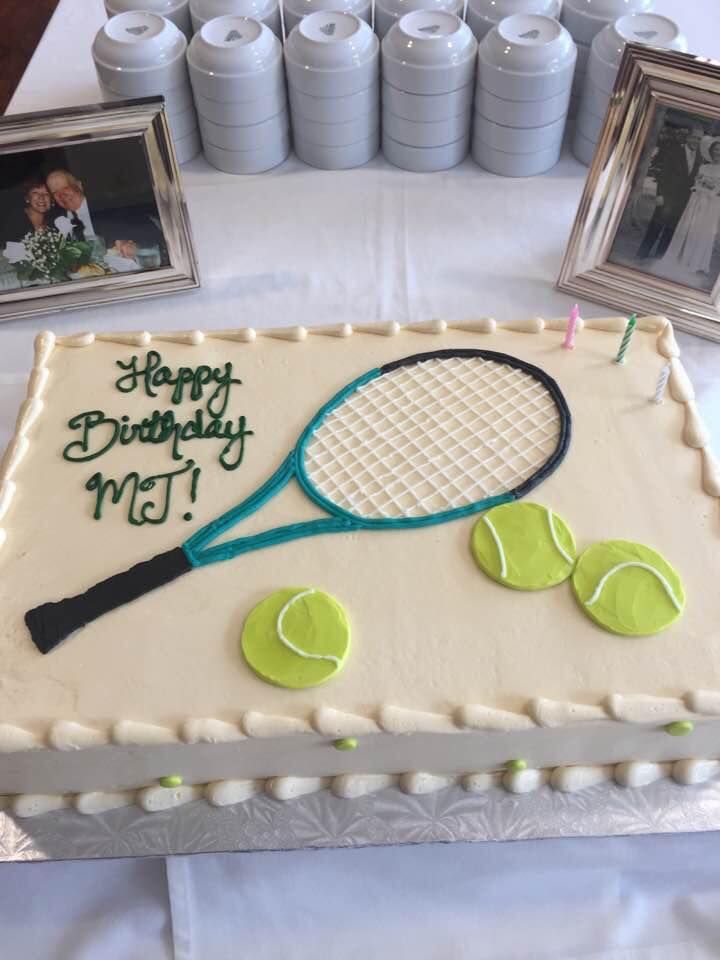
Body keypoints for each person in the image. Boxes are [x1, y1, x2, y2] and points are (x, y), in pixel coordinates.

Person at [45, 167, 163, 252]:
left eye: (65, 187)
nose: (62, 195)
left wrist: (137, 246)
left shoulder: (111, 207)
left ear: (79, 186)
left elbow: (153, 234)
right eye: (55, 192)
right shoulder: (56, 224)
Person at [636, 124, 705, 261]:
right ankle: (641, 255)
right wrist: (659, 194)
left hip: (684, 201)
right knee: (656, 226)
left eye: (698, 139)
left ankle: (658, 258)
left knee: (671, 231)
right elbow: (663, 175)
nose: (695, 141)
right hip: (667, 197)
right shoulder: (674, 151)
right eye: (693, 137)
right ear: (688, 137)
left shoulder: (700, 158)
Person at [661, 137, 720, 277]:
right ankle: (682, 257)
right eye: (716, 149)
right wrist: (702, 185)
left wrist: (712, 189)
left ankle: (697, 261)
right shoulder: (703, 167)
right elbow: (696, 183)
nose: (718, 152)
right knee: (689, 227)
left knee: (703, 231)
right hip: (696, 200)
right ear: (711, 151)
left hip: (711, 204)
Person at [2, 175, 59, 245]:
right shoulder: (16, 219)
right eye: (35, 192)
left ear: (52, 200)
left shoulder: (55, 222)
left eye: (46, 194)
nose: (41, 197)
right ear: (27, 198)